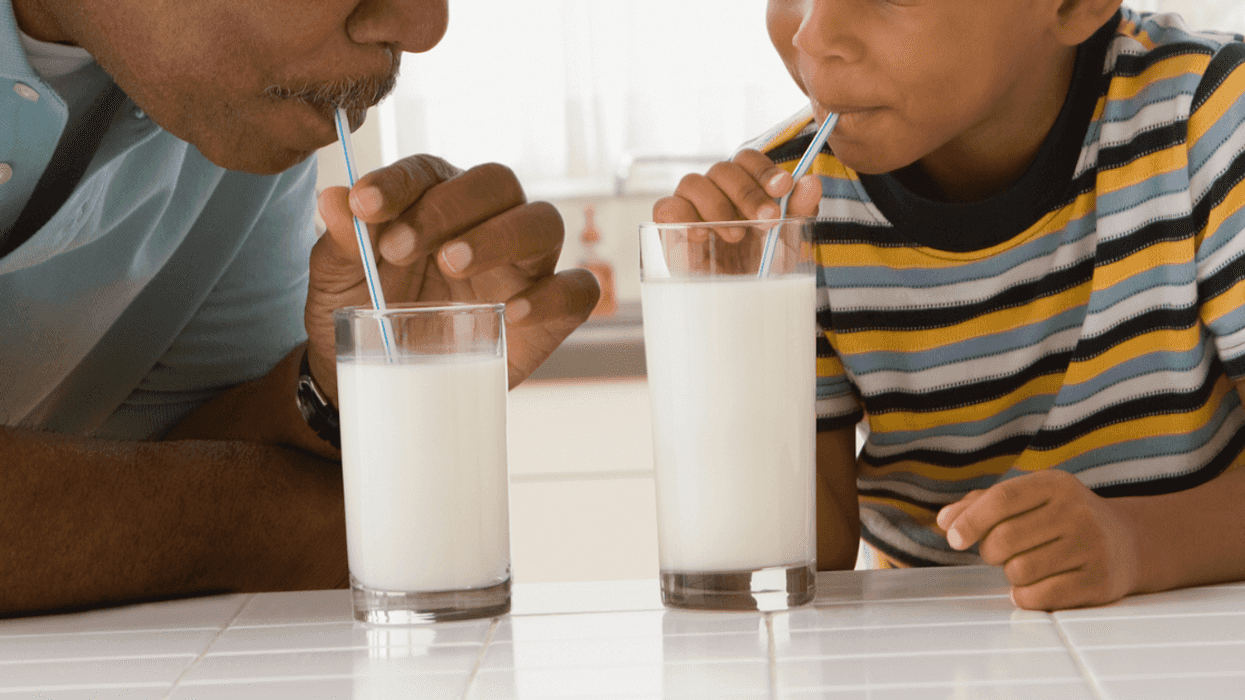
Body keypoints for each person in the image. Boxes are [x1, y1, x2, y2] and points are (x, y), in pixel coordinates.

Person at [0, 0, 598, 617]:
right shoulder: (221, 92)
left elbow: (181, 456)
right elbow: (295, 523)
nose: (425, 28)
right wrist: (276, 527)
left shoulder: (227, 128)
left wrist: (336, 393)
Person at [655, 0, 1245, 611]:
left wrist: (1136, 543)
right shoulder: (790, 210)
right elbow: (813, 551)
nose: (812, 33)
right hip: (932, 633)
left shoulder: (1213, 114)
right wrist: (735, 324)